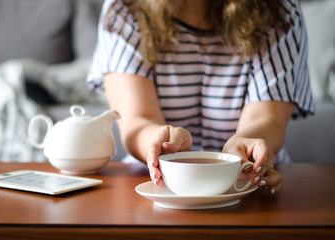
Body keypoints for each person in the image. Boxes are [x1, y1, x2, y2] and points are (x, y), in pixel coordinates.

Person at [87, 0, 313, 195]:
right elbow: (136, 119)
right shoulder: (126, 8)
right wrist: (158, 142)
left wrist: (245, 147)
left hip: (251, 182)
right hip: (154, 182)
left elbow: (267, 118)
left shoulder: (278, 9)